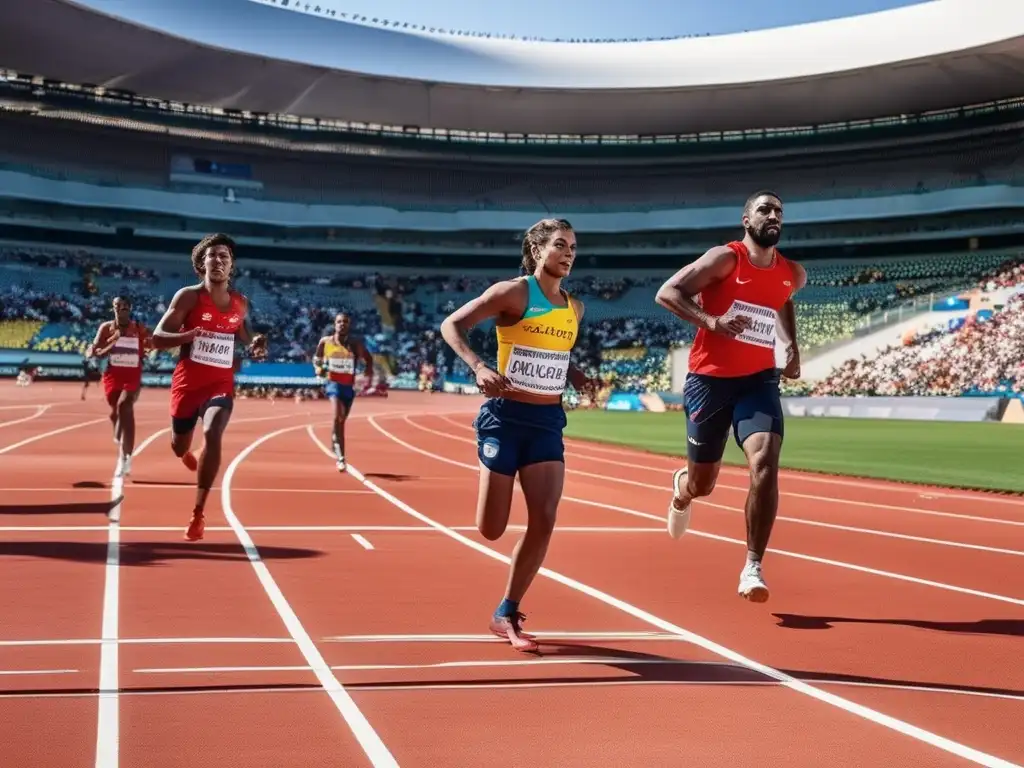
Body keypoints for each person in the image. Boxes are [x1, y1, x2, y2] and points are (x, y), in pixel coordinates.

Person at [440, 218, 600, 652]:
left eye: (573, 247)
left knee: (544, 520)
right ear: (538, 249)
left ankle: (506, 611)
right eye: (561, 245)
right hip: (505, 419)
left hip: (547, 423)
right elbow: (452, 325)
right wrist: (478, 366)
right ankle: (489, 467)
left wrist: (577, 373)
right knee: (491, 529)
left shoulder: (575, 308)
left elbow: (556, 354)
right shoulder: (513, 292)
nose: (569, 253)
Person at [654, 190, 806, 603]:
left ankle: (752, 566)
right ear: (746, 219)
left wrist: (790, 345)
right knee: (704, 484)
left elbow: (783, 300)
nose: (773, 215)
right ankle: (684, 489)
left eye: (779, 210)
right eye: (765, 209)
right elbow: (667, 293)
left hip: (759, 380)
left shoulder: (793, 272)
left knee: (764, 462)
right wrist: (713, 322)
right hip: (710, 380)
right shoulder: (725, 259)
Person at [151, 234, 267, 541]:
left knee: (213, 432)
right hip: (188, 385)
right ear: (202, 264)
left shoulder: (240, 302)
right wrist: (188, 335)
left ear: (231, 267)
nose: (218, 261)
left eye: (224, 257)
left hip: (220, 382)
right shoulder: (188, 297)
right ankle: (186, 451)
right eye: (212, 256)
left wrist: (255, 343)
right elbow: (158, 338)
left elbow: (244, 333)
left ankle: (198, 513)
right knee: (179, 446)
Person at [86, 296, 150, 476]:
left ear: (129, 309)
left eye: (123, 307)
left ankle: (126, 458)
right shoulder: (106, 328)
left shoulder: (138, 328)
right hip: (113, 376)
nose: (119, 309)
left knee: (125, 406)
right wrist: (112, 342)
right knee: (115, 411)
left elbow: (153, 341)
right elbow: (97, 353)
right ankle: (117, 425)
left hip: (132, 376)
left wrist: (149, 346)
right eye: (116, 306)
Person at [312, 312, 374, 472]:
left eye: (345, 322)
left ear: (349, 325)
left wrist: (366, 373)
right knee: (337, 417)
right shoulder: (325, 342)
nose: (342, 324)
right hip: (333, 385)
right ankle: (341, 458)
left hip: (349, 388)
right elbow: (317, 358)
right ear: (334, 324)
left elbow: (368, 359)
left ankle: (335, 438)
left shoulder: (355, 344)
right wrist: (318, 368)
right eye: (339, 321)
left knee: (341, 421)